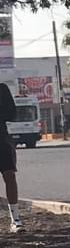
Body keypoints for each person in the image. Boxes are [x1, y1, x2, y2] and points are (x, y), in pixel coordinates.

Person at [0, 82, 21, 232]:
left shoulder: (2, 89)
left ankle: (15, 219)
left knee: (9, 175)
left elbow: (12, 113)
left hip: (1, 138)